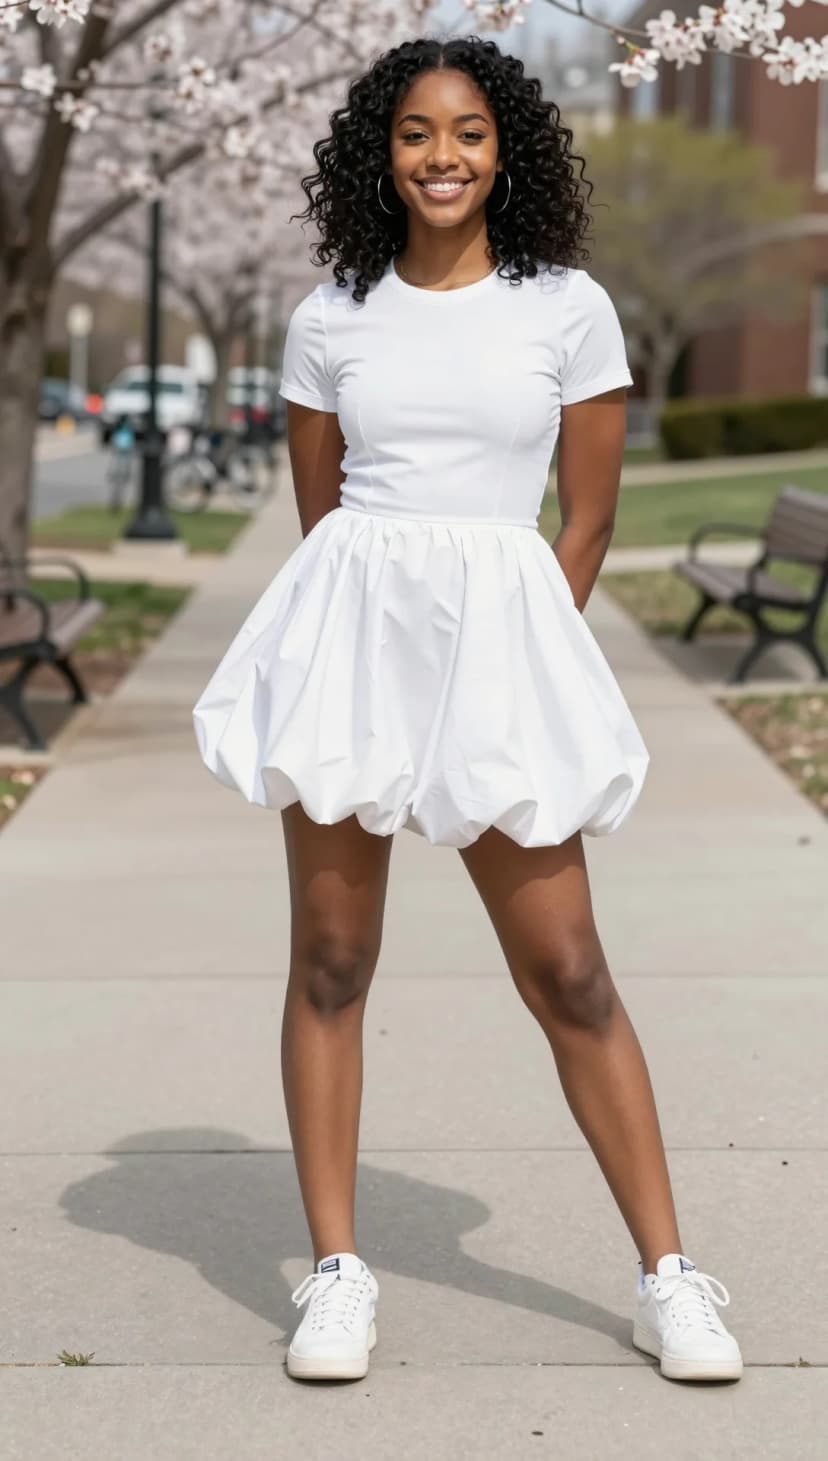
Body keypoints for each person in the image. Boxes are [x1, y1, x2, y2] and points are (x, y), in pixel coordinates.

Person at [192, 33, 743, 1386]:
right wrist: (378, 634)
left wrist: (519, 654)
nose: (444, 156)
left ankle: (670, 1277)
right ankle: (335, 1271)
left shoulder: (568, 308)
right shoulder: (331, 317)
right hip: (357, 645)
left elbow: (590, 513)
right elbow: (324, 512)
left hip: (500, 655)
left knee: (571, 971)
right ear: (380, 153)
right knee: (330, 959)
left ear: (510, 153)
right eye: (418, 134)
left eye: (471, 134)